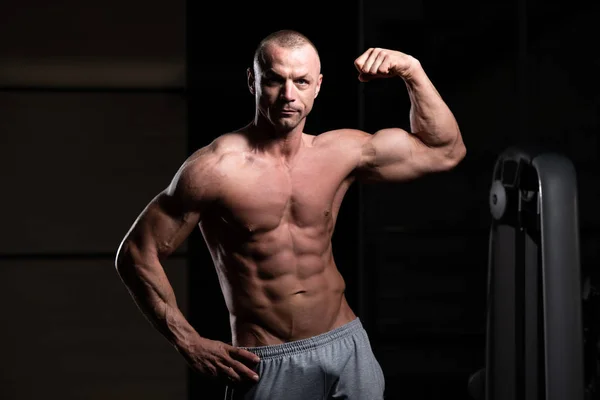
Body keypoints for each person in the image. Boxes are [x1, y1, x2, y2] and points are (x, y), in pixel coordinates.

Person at [115, 29, 466, 400]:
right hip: (269, 362)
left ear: (317, 86)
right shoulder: (215, 169)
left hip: (346, 348)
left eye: (301, 82)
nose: (288, 95)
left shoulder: (342, 152)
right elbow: (136, 254)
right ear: (253, 81)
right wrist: (188, 342)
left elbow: (445, 150)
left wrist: (412, 71)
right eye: (275, 80)